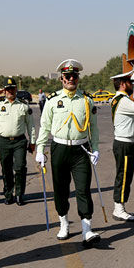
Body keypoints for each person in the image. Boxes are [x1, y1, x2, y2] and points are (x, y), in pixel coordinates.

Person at [35, 59, 100, 246]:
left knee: (83, 189)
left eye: (74, 76)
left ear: (78, 78)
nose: (71, 79)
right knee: (61, 190)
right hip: (59, 149)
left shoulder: (86, 100)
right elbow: (44, 127)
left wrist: (95, 149)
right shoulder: (53, 100)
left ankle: (87, 229)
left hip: (81, 149)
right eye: (67, 76)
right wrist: (40, 149)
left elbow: (93, 128)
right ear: (61, 79)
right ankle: (63, 222)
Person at [0, 76, 36, 205]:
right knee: (6, 169)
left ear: (16, 89)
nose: (10, 91)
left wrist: (32, 142)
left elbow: (30, 126)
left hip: (19, 141)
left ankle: (20, 194)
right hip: (3, 142)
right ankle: (8, 194)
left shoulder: (23, 105)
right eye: (7, 89)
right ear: (4, 90)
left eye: (12, 89)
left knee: (20, 167)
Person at [109, 65, 134, 221]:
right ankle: (119, 207)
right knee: (124, 176)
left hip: (125, 143)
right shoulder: (123, 101)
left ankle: (120, 206)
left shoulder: (119, 98)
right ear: (123, 84)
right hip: (124, 144)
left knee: (125, 175)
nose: (133, 84)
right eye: (129, 83)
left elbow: (131, 81)